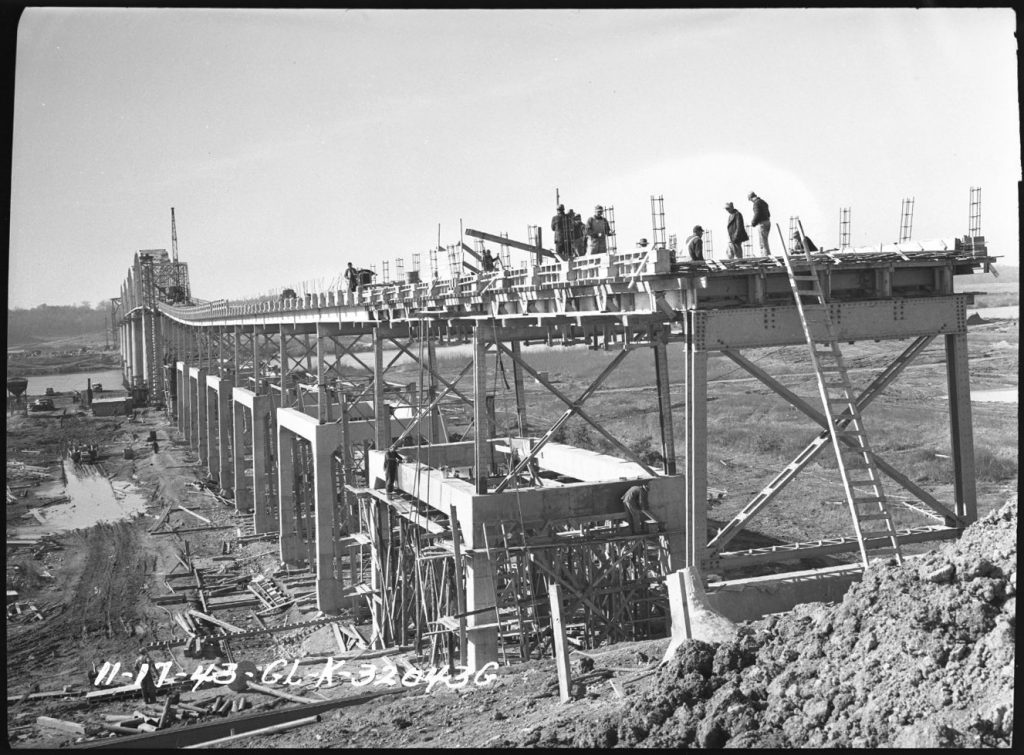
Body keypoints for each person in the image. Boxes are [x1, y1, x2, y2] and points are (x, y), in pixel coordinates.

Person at [748, 191, 771, 256]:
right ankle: (767, 255)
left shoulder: (756, 203)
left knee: (763, 242)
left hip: (762, 224)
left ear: (751, 198)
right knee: (765, 240)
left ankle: (766, 256)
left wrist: (753, 223)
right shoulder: (763, 202)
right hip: (767, 222)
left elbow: (757, 214)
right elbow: (768, 214)